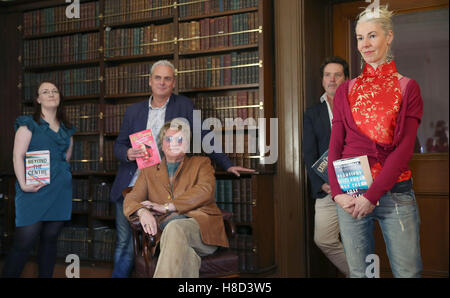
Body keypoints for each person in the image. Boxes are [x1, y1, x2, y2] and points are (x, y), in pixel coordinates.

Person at [110, 60, 254, 277]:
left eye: (167, 78)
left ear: (173, 83)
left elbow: (205, 135)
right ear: (150, 81)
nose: (162, 82)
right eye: (157, 77)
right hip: (136, 179)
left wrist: (227, 163)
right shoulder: (133, 111)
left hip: (168, 191)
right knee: (124, 244)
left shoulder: (185, 108)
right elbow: (119, 145)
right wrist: (127, 153)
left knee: (173, 232)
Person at [327, 5, 423, 278]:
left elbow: (404, 150)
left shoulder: (408, 87)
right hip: (350, 194)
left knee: (407, 273)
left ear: (389, 37)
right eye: (359, 37)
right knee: (361, 274)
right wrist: (337, 193)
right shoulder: (346, 89)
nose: (365, 44)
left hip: (395, 194)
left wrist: (372, 196)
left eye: (372, 36)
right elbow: (335, 145)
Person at [123, 119, 228, 277]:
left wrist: (167, 207)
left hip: (202, 231)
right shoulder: (149, 171)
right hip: (166, 237)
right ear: (162, 144)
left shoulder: (201, 163)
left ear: (187, 144)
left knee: (175, 228)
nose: (174, 143)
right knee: (187, 256)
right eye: (169, 139)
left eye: (180, 139)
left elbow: (205, 191)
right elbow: (131, 199)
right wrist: (142, 212)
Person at [1, 81, 75, 278]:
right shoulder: (28, 124)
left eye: (54, 91)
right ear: (38, 99)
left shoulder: (67, 129)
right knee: (23, 242)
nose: (51, 94)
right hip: (33, 189)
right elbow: (18, 156)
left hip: (60, 191)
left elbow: (65, 159)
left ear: (59, 97)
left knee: (50, 240)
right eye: (45, 91)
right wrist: (24, 184)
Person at [303, 56, 350, 277]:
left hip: (354, 190)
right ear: (322, 80)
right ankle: (360, 273)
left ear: (346, 79)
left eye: (337, 75)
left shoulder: (357, 108)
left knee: (357, 240)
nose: (332, 80)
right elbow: (309, 153)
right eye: (327, 75)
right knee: (323, 239)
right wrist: (321, 186)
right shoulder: (312, 114)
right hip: (327, 191)